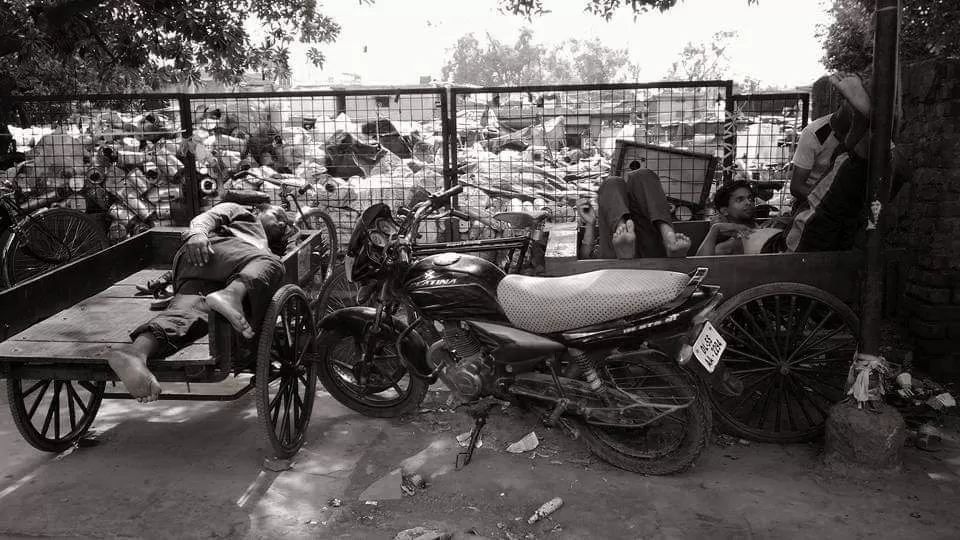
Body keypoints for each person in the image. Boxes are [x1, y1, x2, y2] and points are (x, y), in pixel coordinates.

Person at [106, 202, 297, 403]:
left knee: (184, 317)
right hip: (210, 249)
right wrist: (197, 234)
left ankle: (135, 354)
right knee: (273, 264)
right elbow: (206, 218)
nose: (282, 223)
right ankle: (231, 295)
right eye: (277, 216)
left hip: (201, 274)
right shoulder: (243, 214)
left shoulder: (265, 245)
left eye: (285, 222)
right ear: (258, 210)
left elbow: (292, 241)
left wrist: (162, 280)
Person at [577, 167, 691, 259]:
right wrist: (590, 223)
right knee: (641, 176)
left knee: (615, 182)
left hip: (614, 255)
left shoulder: (605, 227)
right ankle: (668, 235)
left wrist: (590, 226)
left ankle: (622, 230)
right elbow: (586, 257)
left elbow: (585, 258)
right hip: (650, 251)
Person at [789, 99, 854, 206]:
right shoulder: (814, 133)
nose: (855, 112)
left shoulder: (867, 133)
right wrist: (831, 203)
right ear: (842, 101)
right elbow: (797, 187)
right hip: (815, 202)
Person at [695, 180, 759, 256]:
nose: (748, 203)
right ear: (725, 211)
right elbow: (701, 264)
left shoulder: (761, 228)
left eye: (750, 198)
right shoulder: (723, 245)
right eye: (740, 200)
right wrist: (715, 228)